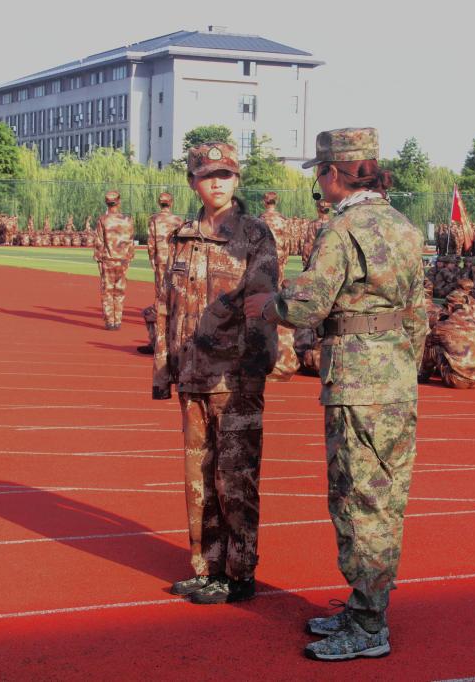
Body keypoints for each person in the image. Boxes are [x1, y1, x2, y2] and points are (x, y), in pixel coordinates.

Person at [245, 127, 427, 661]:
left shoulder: (341, 228)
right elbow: (418, 313)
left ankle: (369, 625)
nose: (319, 183)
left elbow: (306, 305)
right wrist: (400, 366)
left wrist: (267, 306)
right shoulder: (404, 227)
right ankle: (364, 605)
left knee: (359, 497)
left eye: (320, 173)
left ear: (332, 173)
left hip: (356, 380)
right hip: (393, 375)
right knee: (382, 495)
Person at [152, 142, 278, 606]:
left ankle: (239, 572)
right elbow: (165, 305)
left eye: (225, 174)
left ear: (237, 180)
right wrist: (163, 370)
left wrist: (257, 370)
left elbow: (263, 306)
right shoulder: (181, 237)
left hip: (235, 379)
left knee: (235, 478)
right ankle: (206, 566)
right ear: (193, 183)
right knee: (198, 478)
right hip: (192, 376)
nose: (217, 182)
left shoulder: (254, 235)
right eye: (208, 176)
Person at [259, 191, 300, 380]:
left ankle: (267, 358)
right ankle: (283, 357)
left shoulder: (259, 220)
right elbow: (290, 245)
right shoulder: (284, 221)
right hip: (280, 266)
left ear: (264, 202)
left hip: (263, 270)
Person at [139, 192, 184, 354]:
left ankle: (157, 341)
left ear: (160, 203)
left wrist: (152, 259)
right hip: (176, 263)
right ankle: (174, 340)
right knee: (175, 298)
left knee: (161, 299)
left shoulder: (154, 219)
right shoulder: (178, 221)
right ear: (171, 203)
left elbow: (151, 242)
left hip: (161, 261)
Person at [93, 191, 135, 330]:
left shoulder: (103, 220)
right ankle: (118, 321)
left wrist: (99, 261)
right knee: (120, 292)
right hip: (123, 260)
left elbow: (99, 242)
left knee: (107, 291)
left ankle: (110, 321)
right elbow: (130, 241)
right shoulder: (128, 220)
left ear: (107, 203)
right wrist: (129, 258)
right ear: (118, 202)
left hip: (108, 260)